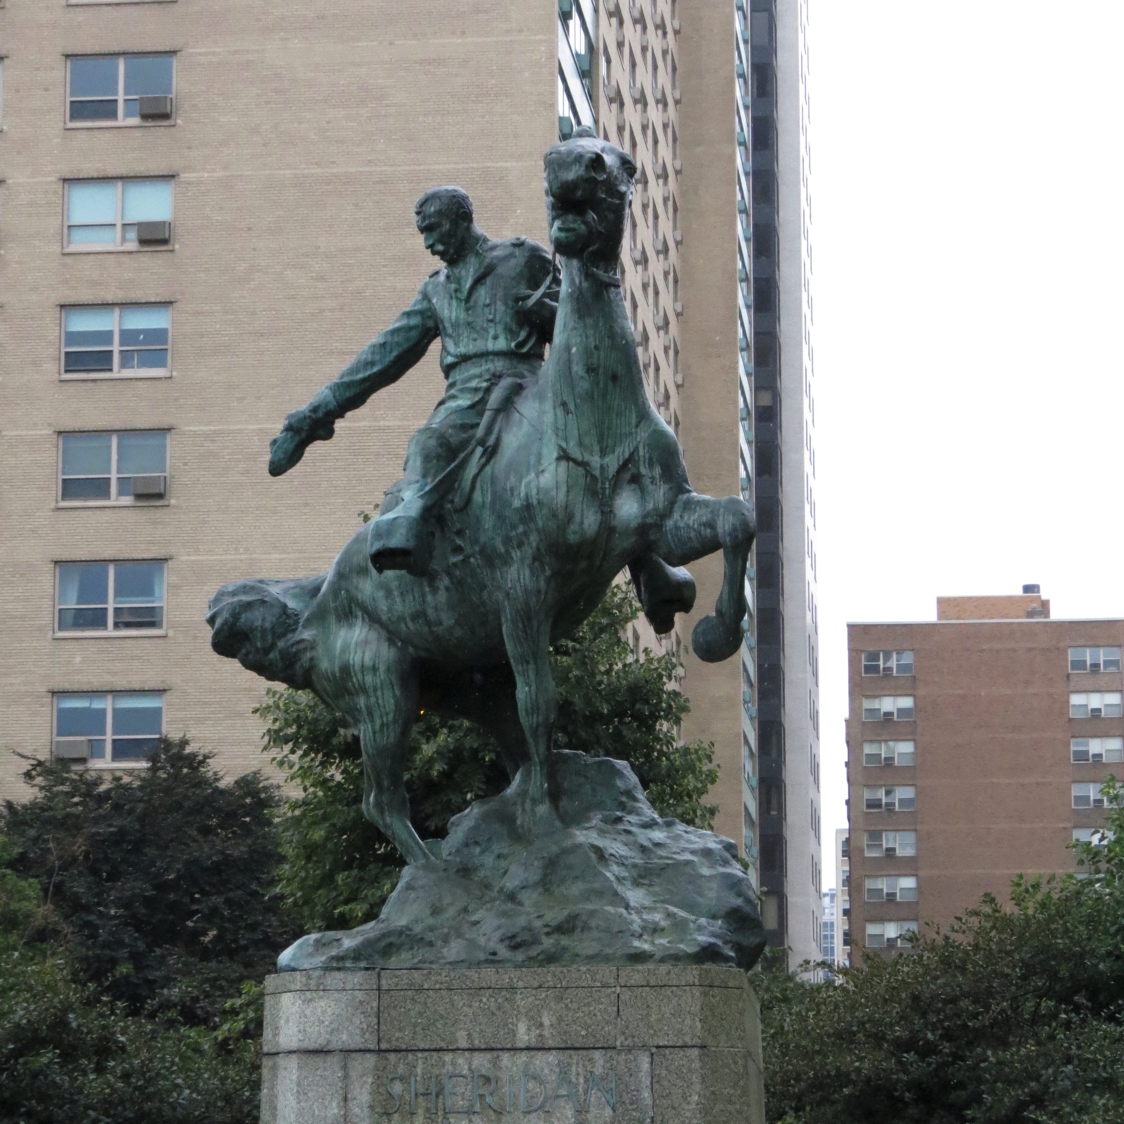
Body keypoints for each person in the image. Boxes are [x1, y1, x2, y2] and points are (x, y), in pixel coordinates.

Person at [268, 186, 558, 574]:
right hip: (464, 396)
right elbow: (386, 354)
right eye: (423, 233)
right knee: (430, 443)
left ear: (462, 220)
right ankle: (413, 534)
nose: (429, 243)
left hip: (527, 381)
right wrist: (316, 413)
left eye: (435, 229)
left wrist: (548, 311)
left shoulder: (524, 258)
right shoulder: (435, 290)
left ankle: (650, 566)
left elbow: (579, 323)